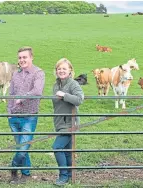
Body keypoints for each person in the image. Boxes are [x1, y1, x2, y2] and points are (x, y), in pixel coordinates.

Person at [7, 46, 45, 184]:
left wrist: (22, 98)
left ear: (31, 57)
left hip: (29, 116)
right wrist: (9, 112)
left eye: (24, 57)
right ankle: (25, 174)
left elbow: (37, 91)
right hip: (14, 117)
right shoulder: (15, 74)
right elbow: (10, 94)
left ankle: (13, 167)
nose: (22, 60)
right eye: (20, 58)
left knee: (23, 147)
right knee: (22, 146)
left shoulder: (38, 73)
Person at [52, 58, 84, 186]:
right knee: (66, 151)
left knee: (57, 147)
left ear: (70, 70)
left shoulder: (73, 84)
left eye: (64, 68)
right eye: (59, 68)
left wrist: (65, 95)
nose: (61, 71)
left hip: (70, 124)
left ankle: (63, 176)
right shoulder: (56, 85)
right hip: (60, 123)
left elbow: (80, 99)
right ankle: (70, 175)